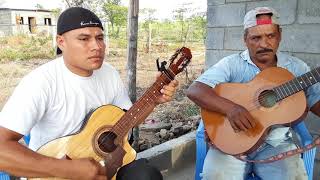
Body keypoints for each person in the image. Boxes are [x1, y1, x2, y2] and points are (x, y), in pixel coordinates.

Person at [0, 7, 179, 180]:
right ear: (61, 42)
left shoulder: (109, 73)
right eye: (84, 39)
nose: (96, 46)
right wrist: (69, 169)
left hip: (106, 165)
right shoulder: (41, 82)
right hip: (55, 172)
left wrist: (154, 100)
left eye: (100, 38)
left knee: (146, 174)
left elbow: (129, 118)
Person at [187, 7, 320, 180]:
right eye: (256, 38)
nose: (264, 44)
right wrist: (231, 108)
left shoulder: (297, 68)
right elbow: (195, 90)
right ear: (245, 39)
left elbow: (316, 103)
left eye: (270, 36)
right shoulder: (231, 64)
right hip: (231, 142)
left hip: (277, 144)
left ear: (279, 35)